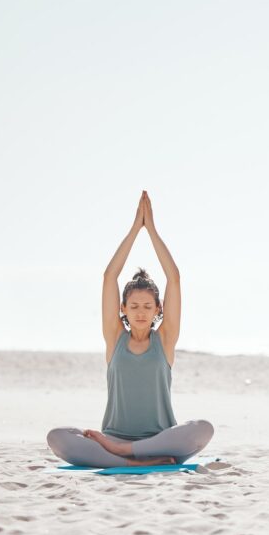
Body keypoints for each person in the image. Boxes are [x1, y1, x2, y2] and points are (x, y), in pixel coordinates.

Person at [46, 191, 213, 467]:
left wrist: (153, 231)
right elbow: (109, 276)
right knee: (57, 437)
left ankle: (127, 453)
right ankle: (133, 461)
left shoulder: (166, 339)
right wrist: (136, 229)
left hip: (161, 441)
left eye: (148, 306)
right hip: (110, 440)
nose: (140, 312)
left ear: (158, 309)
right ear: (122, 308)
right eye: (133, 306)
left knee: (203, 428)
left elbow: (174, 277)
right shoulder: (114, 337)